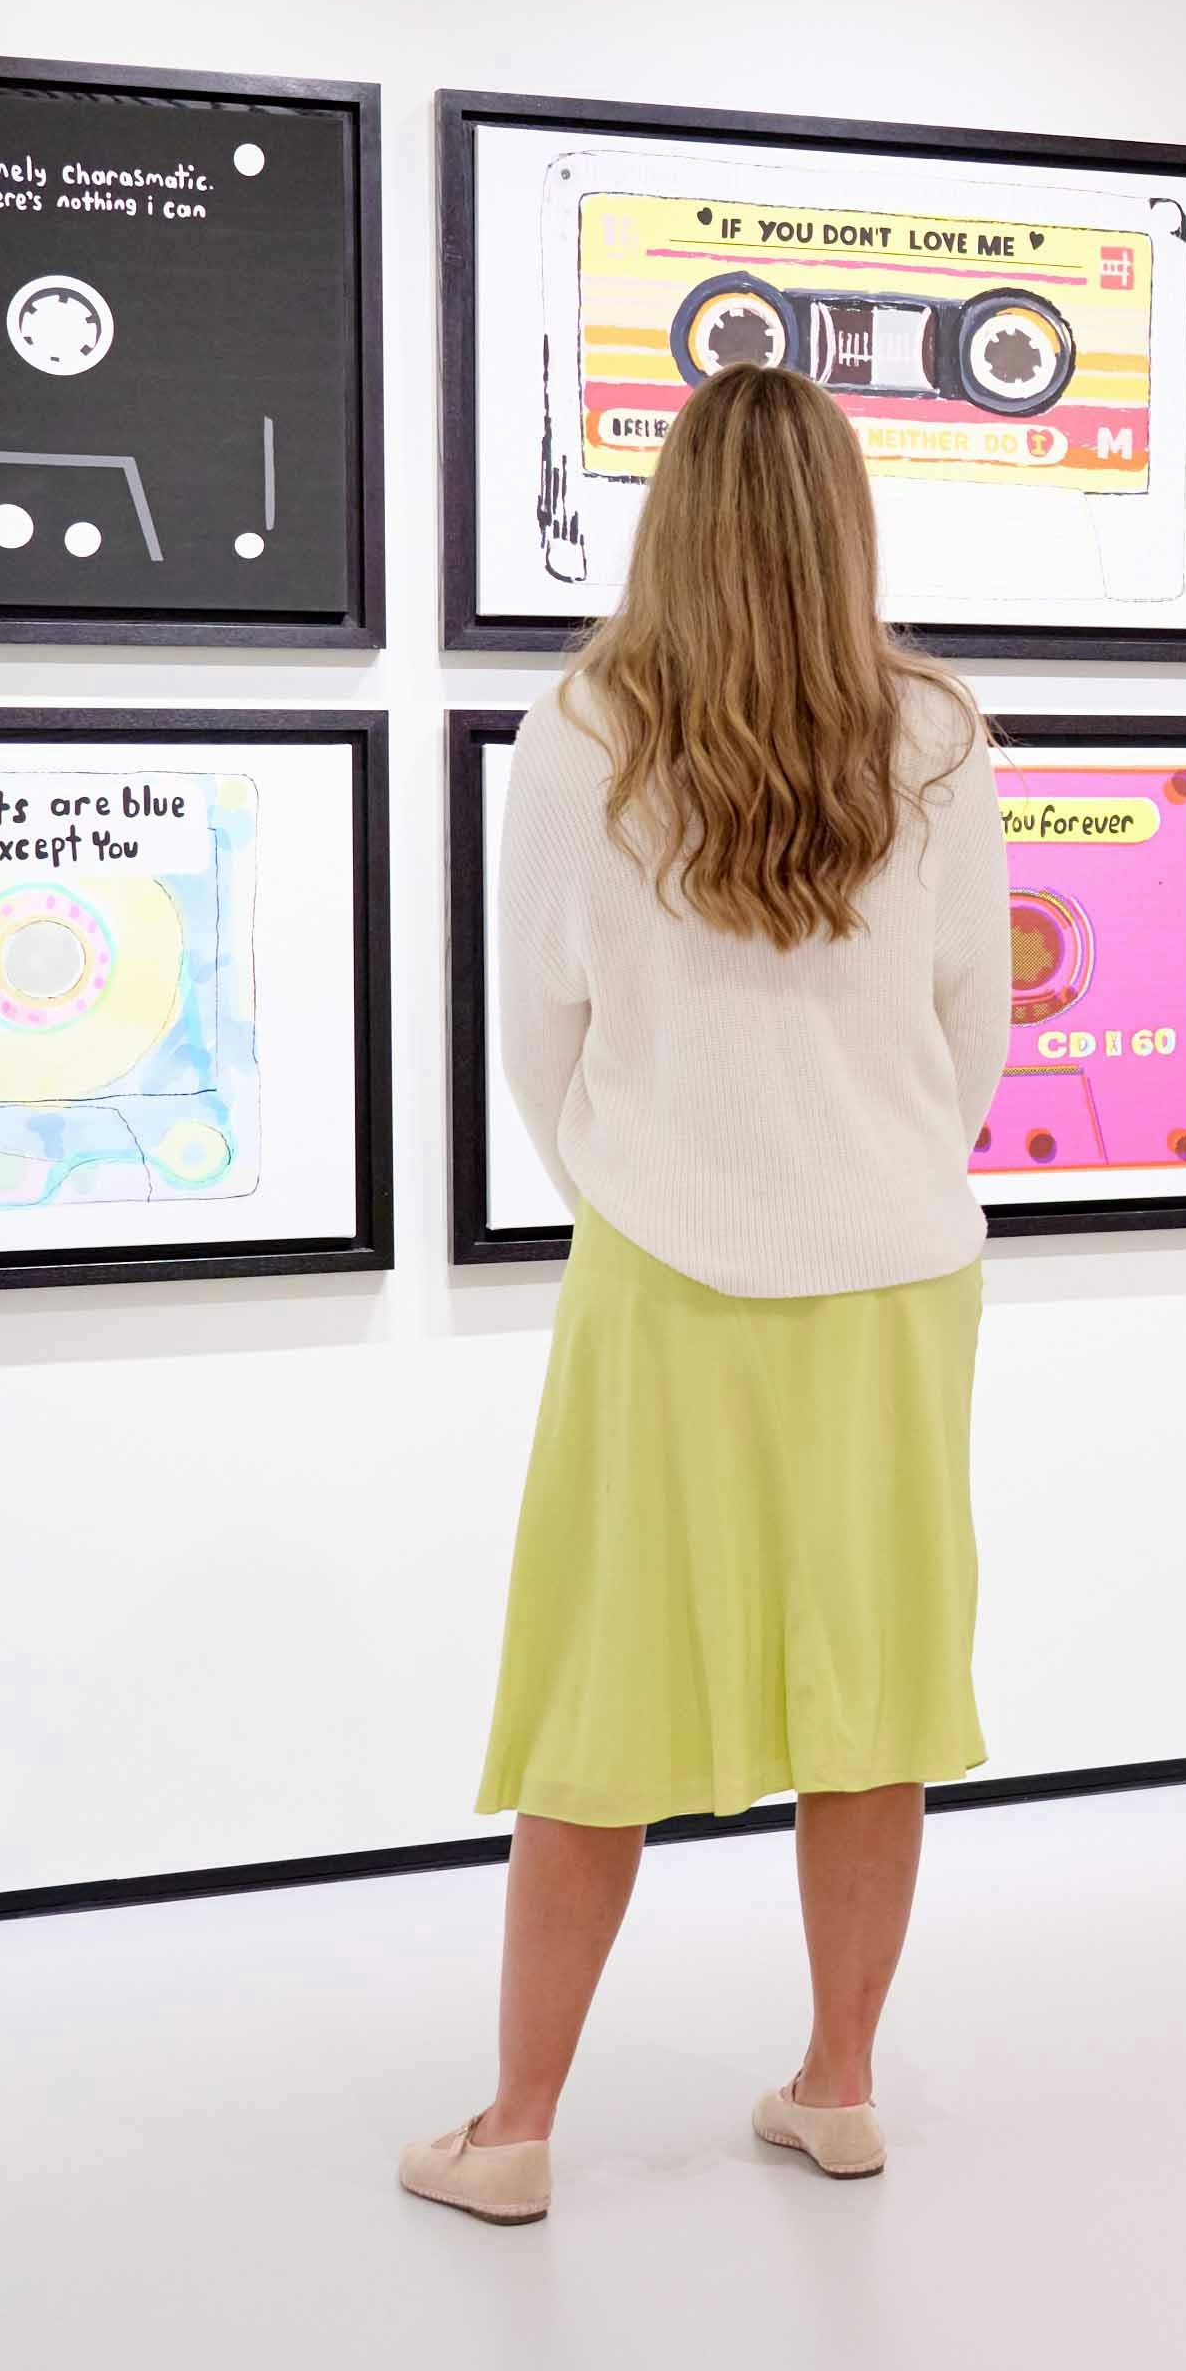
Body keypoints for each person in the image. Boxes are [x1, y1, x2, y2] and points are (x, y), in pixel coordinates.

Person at [401, 365, 1002, 2223]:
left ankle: (512, 2133)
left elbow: (541, 1031)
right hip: (900, 1273)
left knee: (605, 1689)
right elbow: (969, 1023)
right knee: (875, 1689)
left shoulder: (583, 727)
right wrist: (873, 1166)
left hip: (660, 1267)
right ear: (846, 519)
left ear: (668, 512)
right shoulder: (933, 731)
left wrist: (637, 1185)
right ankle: (839, 2087)